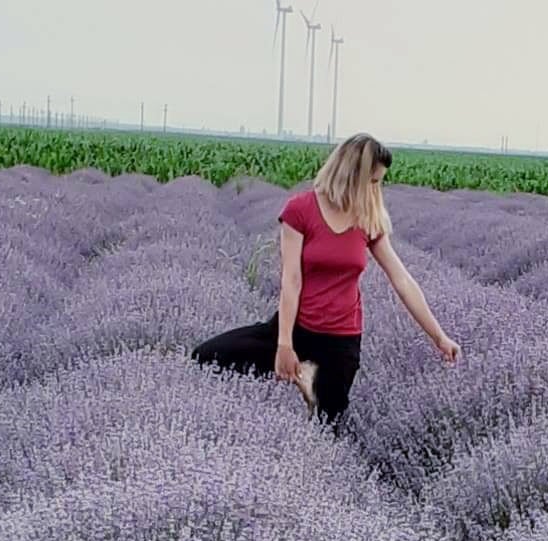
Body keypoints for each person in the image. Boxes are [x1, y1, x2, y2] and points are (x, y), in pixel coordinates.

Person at [192, 134, 459, 423]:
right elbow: (291, 280)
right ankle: (298, 378)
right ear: (352, 174)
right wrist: (284, 344)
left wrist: (439, 337)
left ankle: (308, 385)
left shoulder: (367, 218)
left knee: (327, 423)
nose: (376, 190)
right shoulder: (300, 210)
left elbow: (402, 280)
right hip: (298, 327)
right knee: (207, 355)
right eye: (372, 181)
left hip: (341, 341)